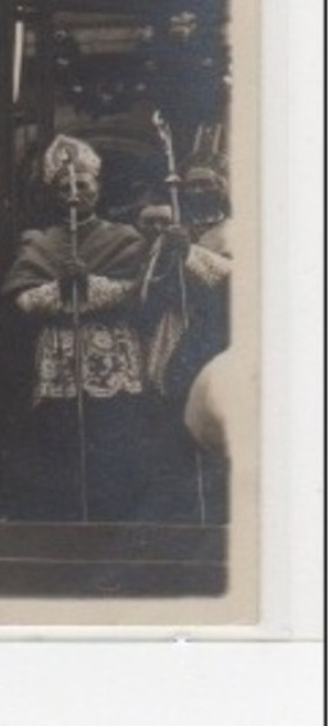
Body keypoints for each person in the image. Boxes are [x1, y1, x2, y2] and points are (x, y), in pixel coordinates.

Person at [4, 136, 199, 521]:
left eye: (83, 186)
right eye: (65, 188)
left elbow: (139, 292)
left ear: (98, 188)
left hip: (113, 354)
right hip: (60, 356)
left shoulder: (124, 237)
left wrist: (88, 284)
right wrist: (60, 287)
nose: (74, 194)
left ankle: (114, 523)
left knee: (113, 438)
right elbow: (22, 300)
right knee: (60, 441)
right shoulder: (42, 243)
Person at [136, 197, 232, 521]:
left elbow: (234, 279)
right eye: (193, 186)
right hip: (168, 332)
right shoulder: (165, 238)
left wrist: (190, 254)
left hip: (212, 337)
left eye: (206, 185)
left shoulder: (234, 231)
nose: (199, 191)